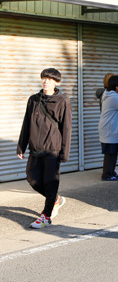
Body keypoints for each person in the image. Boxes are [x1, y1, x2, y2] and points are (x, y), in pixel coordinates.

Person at [17, 68, 72, 229]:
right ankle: (55, 199)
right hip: (35, 148)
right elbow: (26, 123)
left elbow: (66, 129)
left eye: (49, 79)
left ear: (56, 82)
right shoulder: (33, 99)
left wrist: (64, 152)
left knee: (50, 182)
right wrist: (21, 146)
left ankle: (46, 216)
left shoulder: (63, 102)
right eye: (44, 78)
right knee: (32, 180)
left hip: (52, 150)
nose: (46, 81)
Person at [98, 75, 118, 181]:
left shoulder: (108, 94)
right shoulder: (112, 97)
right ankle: (107, 175)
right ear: (117, 87)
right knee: (110, 154)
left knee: (113, 152)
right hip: (110, 129)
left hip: (110, 128)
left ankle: (111, 172)